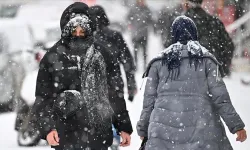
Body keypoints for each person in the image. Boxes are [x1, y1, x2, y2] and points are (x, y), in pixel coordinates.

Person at [137, 16, 247, 150]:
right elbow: (221, 98)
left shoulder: (158, 62)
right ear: (194, 33)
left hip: (163, 133)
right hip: (202, 130)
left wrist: (143, 129)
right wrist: (236, 126)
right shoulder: (207, 60)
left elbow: (149, 102)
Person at [31, 2, 121, 150]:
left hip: (97, 134)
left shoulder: (100, 53)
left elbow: (114, 93)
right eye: (74, 32)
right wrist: (48, 129)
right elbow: (43, 97)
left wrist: (122, 125)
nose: (78, 36)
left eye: (82, 32)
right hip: (65, 132)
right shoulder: (53, 56)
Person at [89, 5, 136, 149]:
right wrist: (131, 85)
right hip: (114, 82)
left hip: (94, 85)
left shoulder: (88, 38)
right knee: (116, 111)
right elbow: (127, 62)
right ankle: (114, 139)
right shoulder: (115, 36)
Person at [163, 0, 234, 77]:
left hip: (184, 78)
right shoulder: (215, 22)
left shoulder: (178, 24)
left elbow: (168, 49)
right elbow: (229, 46)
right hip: (209, 76)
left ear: (186, 4)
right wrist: (221, 70)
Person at [127, 0, 153, 70]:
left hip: (144, 34)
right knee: (135, 51)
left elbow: (150, 20)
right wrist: (131, 27)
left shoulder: (147, 9)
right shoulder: (133, 9)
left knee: (144, 51)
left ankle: (145, 65)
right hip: (135, 34)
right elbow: (128, 18)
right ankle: (135, 65)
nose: (141, 2)